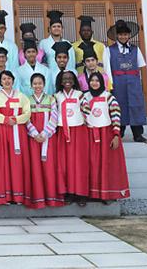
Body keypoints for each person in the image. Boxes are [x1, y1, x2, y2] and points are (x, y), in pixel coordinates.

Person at [83, 72, 130, 201]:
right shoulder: (85, 97)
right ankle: (93, 194)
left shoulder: (109, 97)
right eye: (92, 80)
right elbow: (83, 115)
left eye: (97, 80)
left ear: (102, 82)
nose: (94, 83)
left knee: (106, 164)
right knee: (92, 164)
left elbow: (115, 115)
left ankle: (107, 194)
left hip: (106, 135)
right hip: (90, 135)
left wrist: (116, 135)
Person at [0, 70, 31, 205]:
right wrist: (5, 119)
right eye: (4, 79)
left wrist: (16, 119)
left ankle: (18, 195)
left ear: (13, 80)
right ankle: (3, 195)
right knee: (2, 161)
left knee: (17, 162)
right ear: (0, 81)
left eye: (9, 78)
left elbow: (27, 112)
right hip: (2, 131)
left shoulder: (21, 96)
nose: (7, 81)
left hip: (18, 131)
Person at [108, 20, 147, 144]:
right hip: (117, 83)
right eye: (120, 34)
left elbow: (140, 67)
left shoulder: (136, 49)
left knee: (135, 107)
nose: (123, 37)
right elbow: (107, 69)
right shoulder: (109, 50)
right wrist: (110, 85)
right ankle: (118, 134)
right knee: (118, 107)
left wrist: (138, 83)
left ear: (129, 35)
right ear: (117, 36)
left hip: (133, 83)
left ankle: (138, 135)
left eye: (125, 34)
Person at [25, 73, 63, 209]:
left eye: (40, 83)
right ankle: (37, 198)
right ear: (31, 85)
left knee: (49, 166)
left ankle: (51, 197)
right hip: (33, 138)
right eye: (35, 83)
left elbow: (54, 117)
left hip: (48, 137)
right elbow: (26, 118)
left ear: (44, 84)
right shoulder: (27, 100)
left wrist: (45, 133)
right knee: (35, 166)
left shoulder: (51, 99)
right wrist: (35, 133)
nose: (37, 86)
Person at [55, 70, 89, 200]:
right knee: (65, 163)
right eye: (64, 78)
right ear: (60, 81)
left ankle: (81, 194)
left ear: (74, 80)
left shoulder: (80, 95)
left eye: (70, 78)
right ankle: (68, 192)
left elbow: (87, 110)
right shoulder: (57, 96)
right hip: (63, 133)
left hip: (78, 131)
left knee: (79, 162)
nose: (67, 80)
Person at [71, 16, 112, 81]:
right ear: (79, 32)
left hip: (99, 80)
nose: (86, 32)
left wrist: (109, 81)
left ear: (92, 32)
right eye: (83, 30)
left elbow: (107, 65)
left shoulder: (101, 46)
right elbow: (71, 66)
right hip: (80, 80)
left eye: (88, 30)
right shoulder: (73, 47)